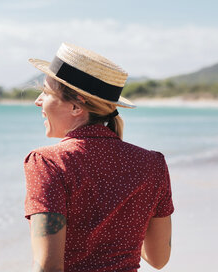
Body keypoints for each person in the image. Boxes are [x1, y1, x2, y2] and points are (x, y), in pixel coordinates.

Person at [24, 43, 174, 272]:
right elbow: (159, 258)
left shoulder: (48, 162)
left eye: (46, 92)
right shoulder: (153, 164)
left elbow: (47, 267)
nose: (38, 101)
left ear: (76, 105)